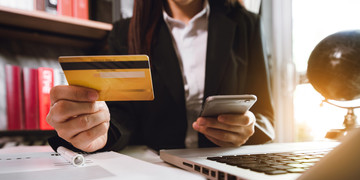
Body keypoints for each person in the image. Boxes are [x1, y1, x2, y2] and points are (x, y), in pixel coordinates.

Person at [47, 0, 274, 153]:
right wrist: (98, 130)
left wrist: (248, 127)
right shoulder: (125, 33)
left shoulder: (247, 25)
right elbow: (120, 114)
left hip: (226, 164)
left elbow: (266, 116)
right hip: (155, 168)